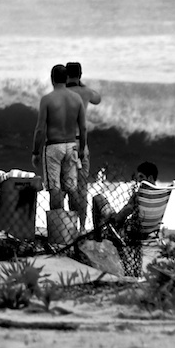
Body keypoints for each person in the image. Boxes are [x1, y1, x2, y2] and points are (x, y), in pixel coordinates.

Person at [32, 64, 86, 211]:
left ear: (52, 79)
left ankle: (58, 226)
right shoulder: (77, 99)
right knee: (72, 187)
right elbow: (83, 128)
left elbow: (40, 129)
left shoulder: (47, 99)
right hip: (72, 145)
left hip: (54, 147)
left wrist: (36, 152)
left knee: (55, 188)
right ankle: (73, 226)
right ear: (67, 78)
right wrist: (81, 149)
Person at [66, 62, 102, 231]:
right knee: (82, 187)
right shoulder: (85, 92)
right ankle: (81, 226)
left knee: (66, 187)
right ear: (80, 74)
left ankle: (68, 225)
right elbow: (98, 98)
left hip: (63, 142)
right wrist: (83, 85)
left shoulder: (61, 93)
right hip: (81, 142)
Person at [92, 161, 159, 241]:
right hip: (148, 230)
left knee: (98, 198)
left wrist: (114, 218)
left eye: (141, 177)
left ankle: (98, 238)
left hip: (126, 230)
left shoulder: (141, 195)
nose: (139, 180)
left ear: (150, 178)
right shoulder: (160, 194)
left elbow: (124, 213)